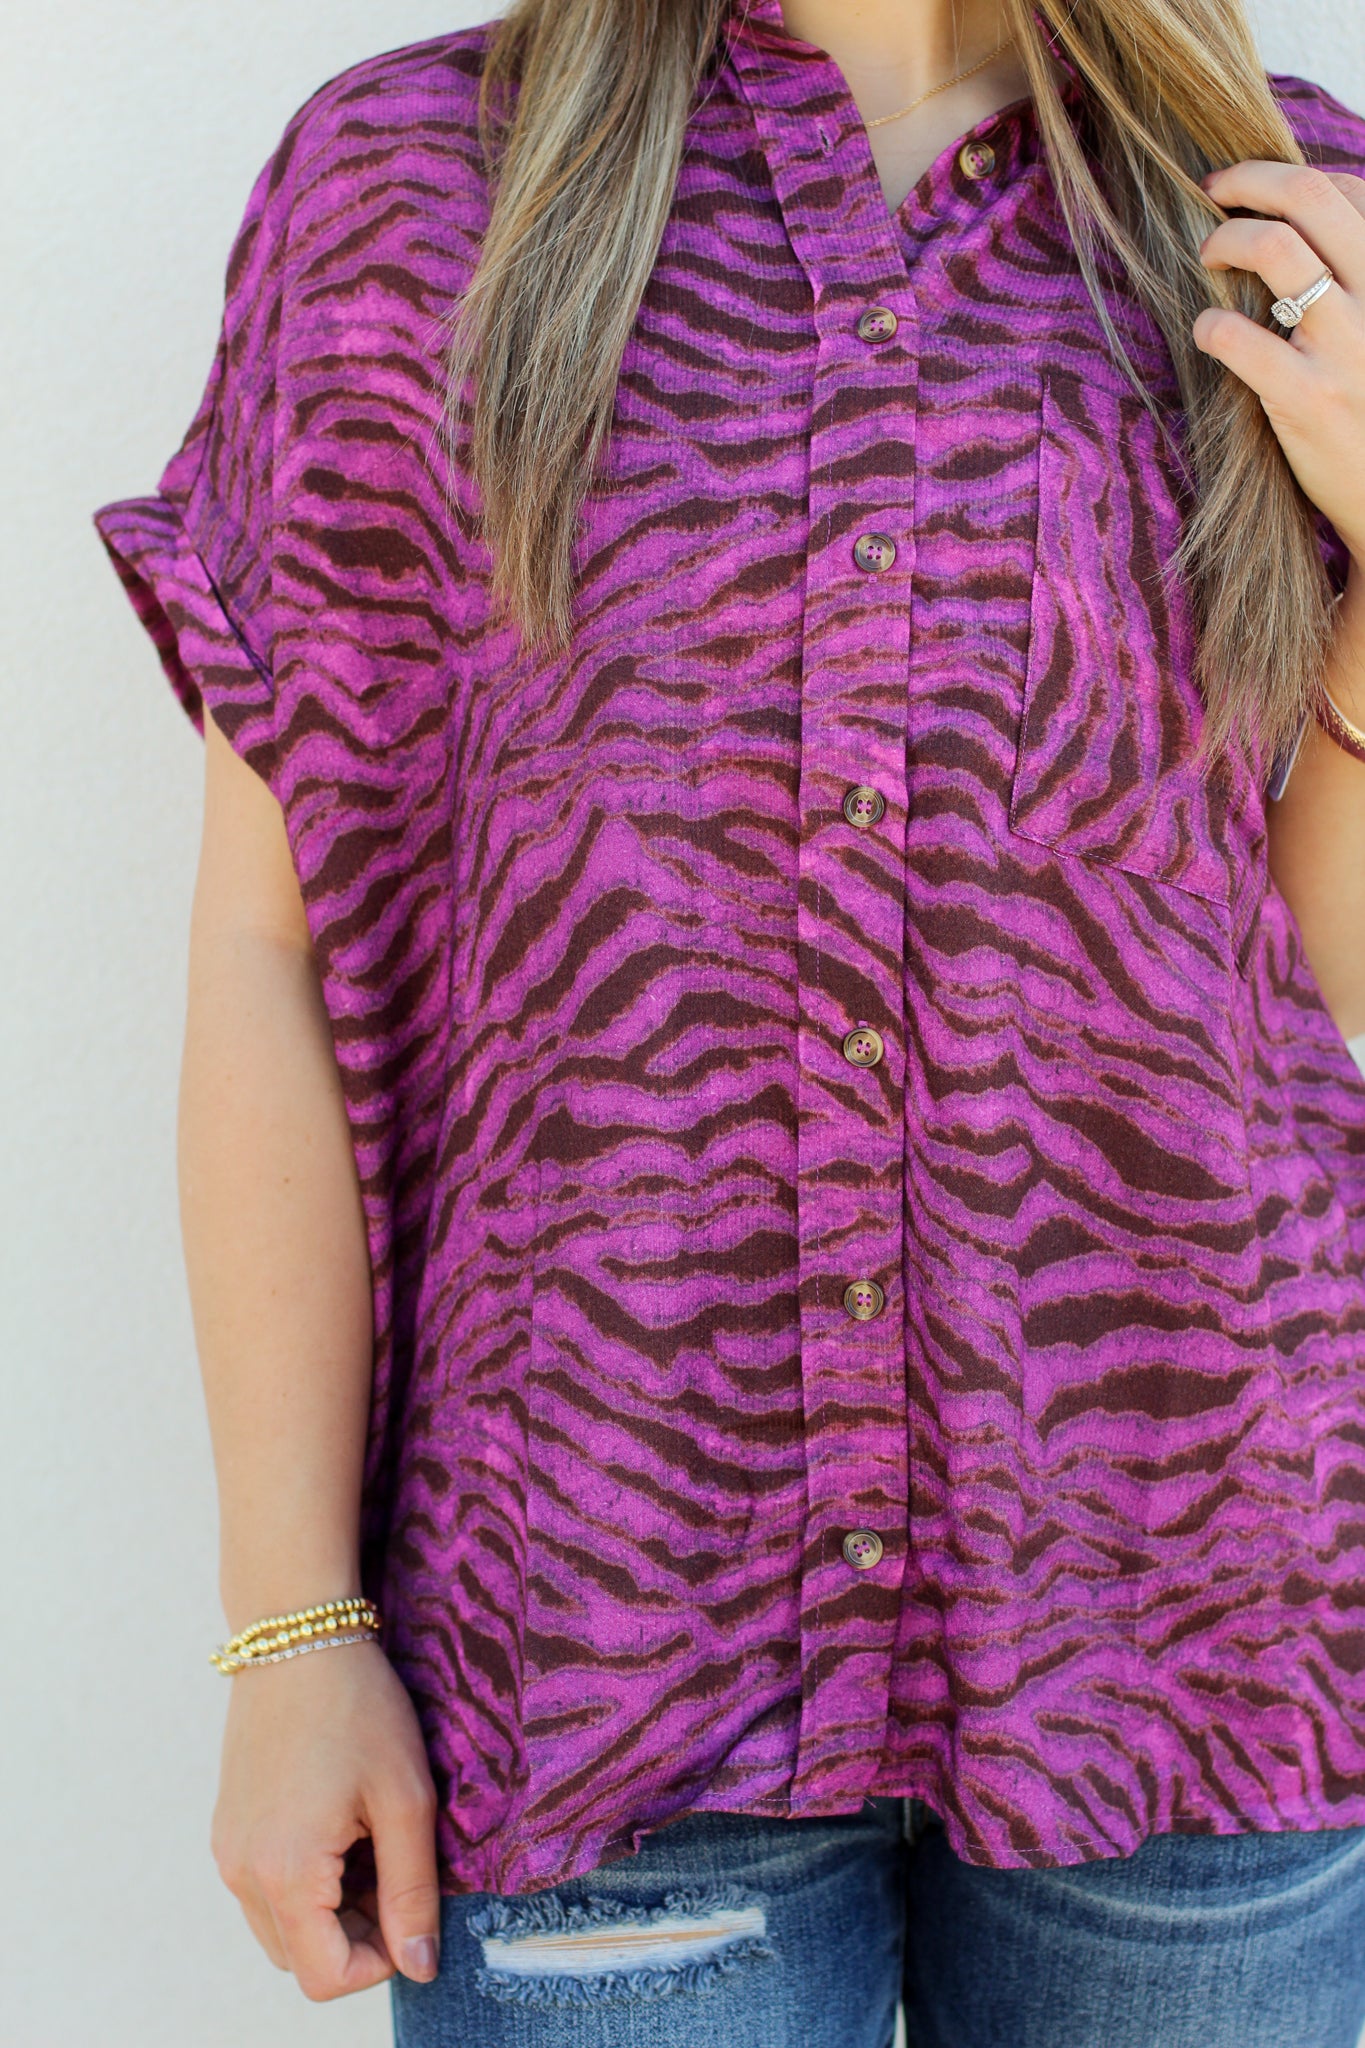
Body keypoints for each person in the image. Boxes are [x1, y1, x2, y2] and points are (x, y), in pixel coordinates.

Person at [93, 0, 1365, 2039]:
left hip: (1188, 1629)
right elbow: (275, 950)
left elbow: (1283, 998)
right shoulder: (416, 187)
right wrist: (290, 1624)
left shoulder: (1282, 216)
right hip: (599, 1644)